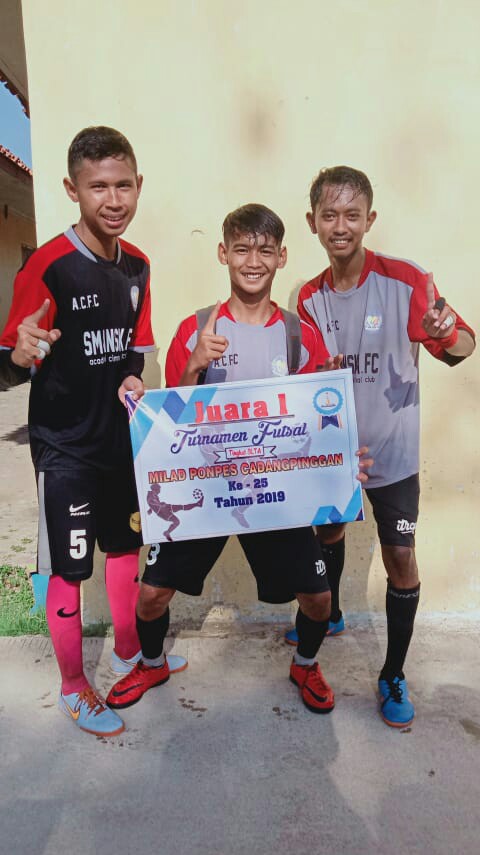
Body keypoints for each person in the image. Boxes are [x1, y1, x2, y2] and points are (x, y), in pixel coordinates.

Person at [107, 203, 370, 717]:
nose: (253, 261)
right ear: (223, 253)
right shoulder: (195, 328)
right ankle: (153, 663)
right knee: (151, 596)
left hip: (272, 493)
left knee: (318, 600)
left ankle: (306, 664)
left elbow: (316, 424)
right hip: (206, 490)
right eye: (242, 249)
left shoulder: (298, 334)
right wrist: (193, 366)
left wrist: (341, 459)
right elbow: (171, 423)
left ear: (281, 257)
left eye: (265, 251)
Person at [0, 126, 184, 738]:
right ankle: (74, 687)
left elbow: (133, 351)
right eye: (98, 186)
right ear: (72, 189)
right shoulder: (48, 266)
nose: (113, 199)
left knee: (126, 552)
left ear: (139, 186)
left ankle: (130, 655)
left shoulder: (139, 266)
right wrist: (16, 357)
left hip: (119, 444)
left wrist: (132, 376)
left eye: (123, 185)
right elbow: (9, 359)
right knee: (70, 569)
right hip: (65, 449)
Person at [285, 165, 475, 727]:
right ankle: (331, 613)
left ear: (370, 219)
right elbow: (309, 374)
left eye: (352, 215)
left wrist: (445, 333)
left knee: (400, 558)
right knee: (329, 533)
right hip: (336, 453)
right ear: (313, 222)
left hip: (393, 455)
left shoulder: (407, 281)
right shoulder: (309, 297)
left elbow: (464, 344)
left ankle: (392, 672)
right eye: (329, 215)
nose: (340, 226)